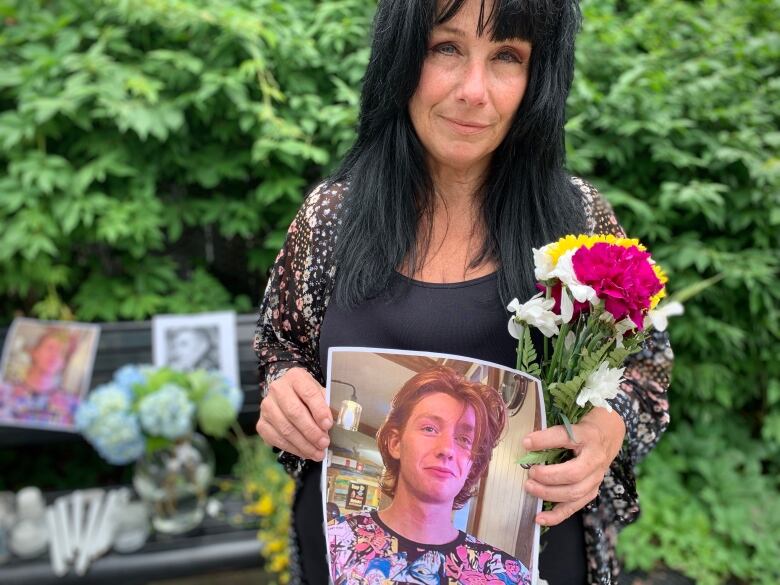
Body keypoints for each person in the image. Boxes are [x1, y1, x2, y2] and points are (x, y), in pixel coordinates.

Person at [254, 0, 672, 583]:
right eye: (446, 48)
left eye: (506, 56)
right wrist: (281, 391)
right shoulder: (331, 218)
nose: (474, 90)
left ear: (538, 78)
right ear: (401, 58)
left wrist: (608, 429)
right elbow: (280, 346)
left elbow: (646, 362)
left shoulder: (577, 222)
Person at [327, 366, 531, 584]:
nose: (447, 449)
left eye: (464, 439)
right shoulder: (330, 542)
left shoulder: (508, 576)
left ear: (472, 464)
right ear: (396, 443)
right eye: (430, 429)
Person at [0, 328, 80, 425]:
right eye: (50, 348)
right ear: (34, 352)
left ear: (63, 363)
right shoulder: (5, 390)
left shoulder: (70, 402)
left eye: (62, 352)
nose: (55, 355)